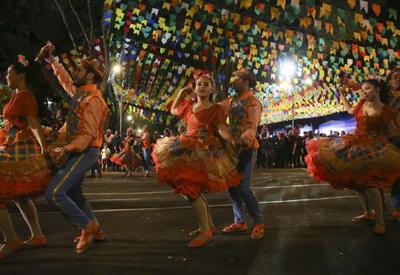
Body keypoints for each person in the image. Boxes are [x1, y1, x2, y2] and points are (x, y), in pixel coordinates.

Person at [152, 74, 241, 248]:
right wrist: (181, 93)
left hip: (204, 151)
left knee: (191, 190)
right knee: (190, 190)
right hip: (184, 146)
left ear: (211, 89)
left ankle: (206, 232)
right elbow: (173, 110)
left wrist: (232, 141)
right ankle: (207, 226)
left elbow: (222, 129)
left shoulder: (215, 109)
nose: (201, 87)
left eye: (206, 84)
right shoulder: (189, 106)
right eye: (199, 84)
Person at [38, 42, 109, 253]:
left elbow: (87, 136)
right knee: (76, 195)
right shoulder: (81, 93)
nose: (74, 72)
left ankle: (87, 227)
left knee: (55, 193)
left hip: (85, 151)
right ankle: (96, 230)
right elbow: (66, 80)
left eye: (79, 70)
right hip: (79, 149)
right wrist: (52, 60)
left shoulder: (94, 100)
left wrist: (66, 148)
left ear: (89, 76)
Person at [305, 79, 400, 234]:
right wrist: (342, 95)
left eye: (367, 88)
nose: (364, 92)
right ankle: (368, 213)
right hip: (355, 145)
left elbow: (392, 130)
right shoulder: (361, 104)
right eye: (363, 89)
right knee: (355, 182)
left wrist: (390, 148)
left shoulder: (386, 110)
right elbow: (349, 110)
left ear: (377, 89)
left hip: (375, 147)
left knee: (371, 184)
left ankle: (380, 222)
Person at [0, 59, 52, 259]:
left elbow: (33, 124)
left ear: (20, 76)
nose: (6, 77)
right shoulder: (17, 96)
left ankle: (11, 239)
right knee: (21, 197)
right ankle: (37, 235)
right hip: (13, 147)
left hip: (18, 150)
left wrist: (44, 149)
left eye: (9, 73)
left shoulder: (25, 97)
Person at [219, 68, 265, 240]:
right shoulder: (231, 101)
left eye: (237, 77)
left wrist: (247, 136)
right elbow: (215, 110)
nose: (233, 79)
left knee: (244, 189)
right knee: (232, 187)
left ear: (246, 81)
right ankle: (239, 222)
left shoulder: (253, 102)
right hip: (232, 149)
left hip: (247, 148)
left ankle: (258, 223)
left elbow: (252, 124)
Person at [385, 67, 400, 219]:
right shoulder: (384, 96)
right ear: (389, 82)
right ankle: (377, 206)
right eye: (395, 77)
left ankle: (397, 206)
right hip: (389, 138)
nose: (398, 79)